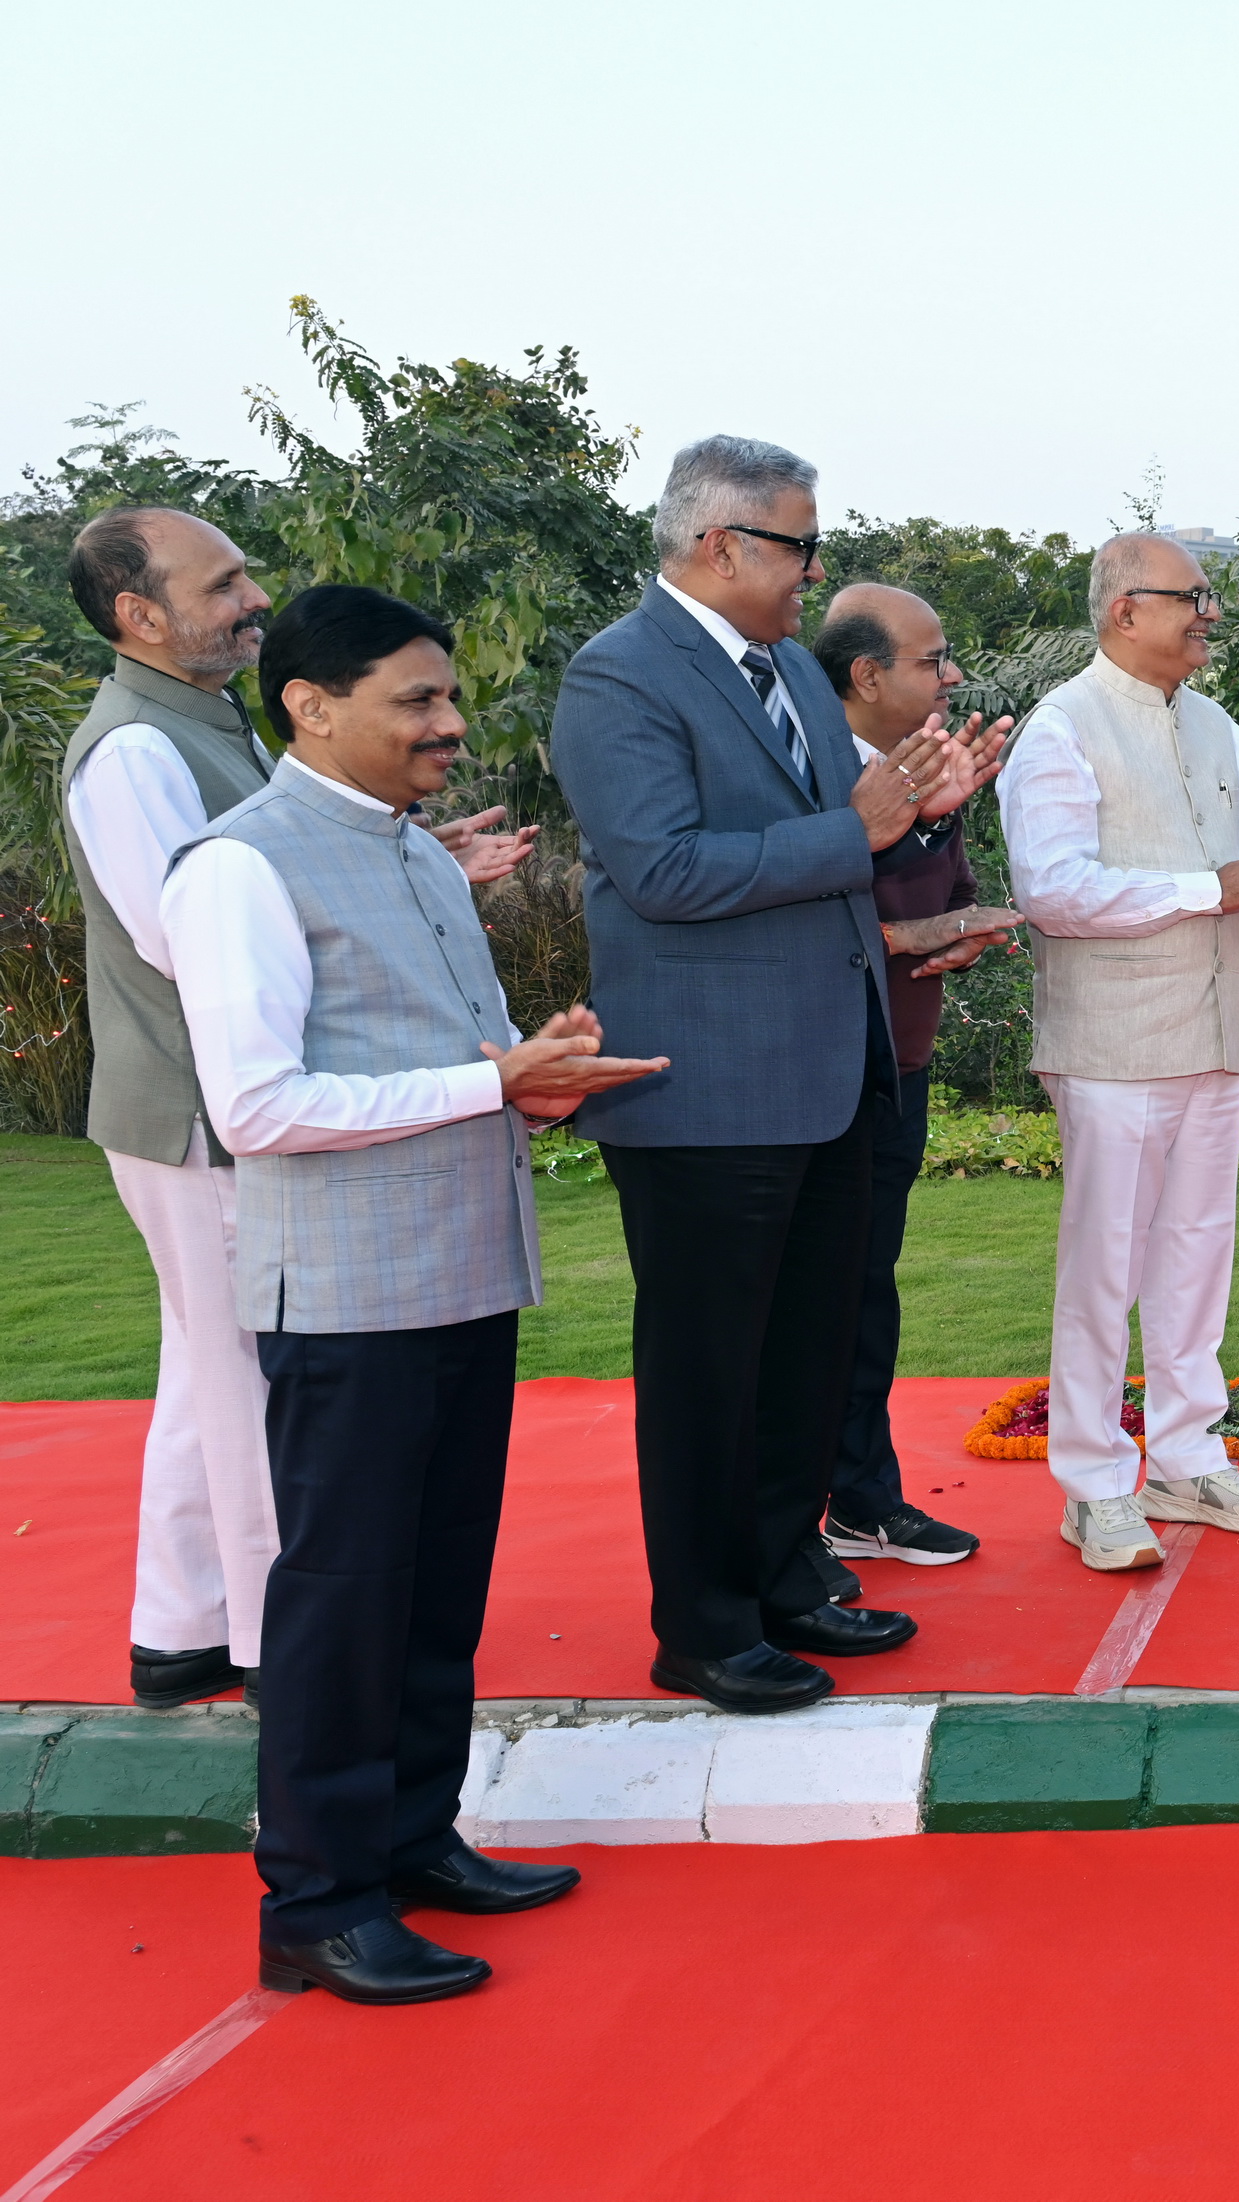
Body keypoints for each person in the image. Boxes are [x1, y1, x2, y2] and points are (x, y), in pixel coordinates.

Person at [166, 586, 664, 2003]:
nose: (449, 724)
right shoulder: (240, 869)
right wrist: (487, 1080)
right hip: (338, 1291)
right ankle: (318, 1898)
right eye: (416, 701)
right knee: (342, 1600)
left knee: (438, 1586)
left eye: (448, 698)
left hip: (458, 1271)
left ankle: (411, 1835)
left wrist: (539, 1069)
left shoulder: (425, 861)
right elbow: (257, 1105)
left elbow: (467, 1045)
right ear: (310, 704)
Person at [549, 436, 996, 1713]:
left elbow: (856, 836)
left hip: (830, 1068)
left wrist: (922, 811)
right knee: (708, 1371)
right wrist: (855, 826)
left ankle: (788, 1573)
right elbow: (664, 871)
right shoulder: (618, 677)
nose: (814, 570)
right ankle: (702, 1623)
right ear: (717, 544)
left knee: (805, 1350)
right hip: (706, 1087)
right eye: (798, 544)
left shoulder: (793, 670)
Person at [56, 509, 530, 1712]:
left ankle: (180, 1626)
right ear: (139, 617)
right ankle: (284, 1645)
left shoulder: (205, 723)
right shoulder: (134, 752)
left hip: (230, 1110)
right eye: (224, 585)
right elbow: (195, 938)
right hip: (200, 1115)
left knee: (203, 1369)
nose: (253, 598)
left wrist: (407, 864)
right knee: (246, 1380)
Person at [999, 535, 1239, 1569]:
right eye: (1188, 598)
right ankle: (1094, 1484)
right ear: (1121, 611)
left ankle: (1189, 1455)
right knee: (1105, 1269)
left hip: (1212, 1028)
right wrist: (1212, 889)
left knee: (1197, 1258)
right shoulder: (1062, 729)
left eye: (1207, 596)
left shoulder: (1217, 726)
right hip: (1112, 1041)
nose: (1209, 614)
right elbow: (1050, 889)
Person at [810, 583, 1023, 1573]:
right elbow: (788, 916)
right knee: (817, 1302)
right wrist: (908, 931)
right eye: (933, 662)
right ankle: (811, 1512)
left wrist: (959, 928)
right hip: (821, 1071)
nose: (951, 678)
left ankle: (859, 1499)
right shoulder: (806, 774)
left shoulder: (919, 774)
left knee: (865, 1292)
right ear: (864, 676)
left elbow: (953, 894)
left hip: (899, 1057)